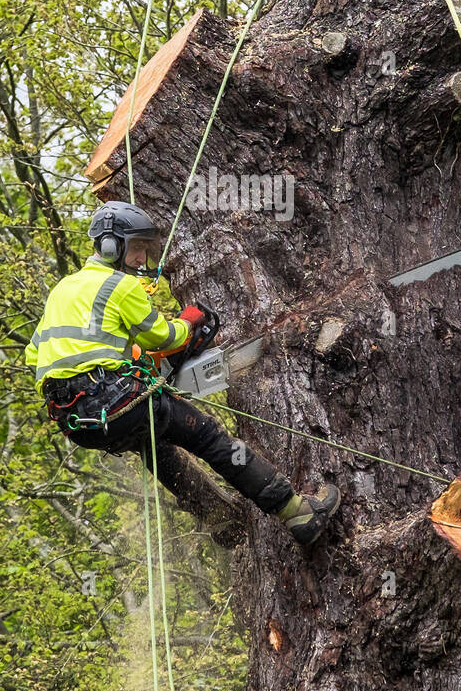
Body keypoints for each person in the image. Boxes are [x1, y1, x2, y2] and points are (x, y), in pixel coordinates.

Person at [25, 202, 340, 545]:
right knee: (206, 437)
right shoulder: (119, 285)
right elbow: (164, 337)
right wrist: (187, 322)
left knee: (155, 450)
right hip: (115, 400)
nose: (142, 259)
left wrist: (120, 358)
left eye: (147, 250)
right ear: (111, 245)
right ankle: (297, 513)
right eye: (138, 248)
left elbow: (34, 355)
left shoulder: (61, 291)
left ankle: (220, 518)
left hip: (77, 421)